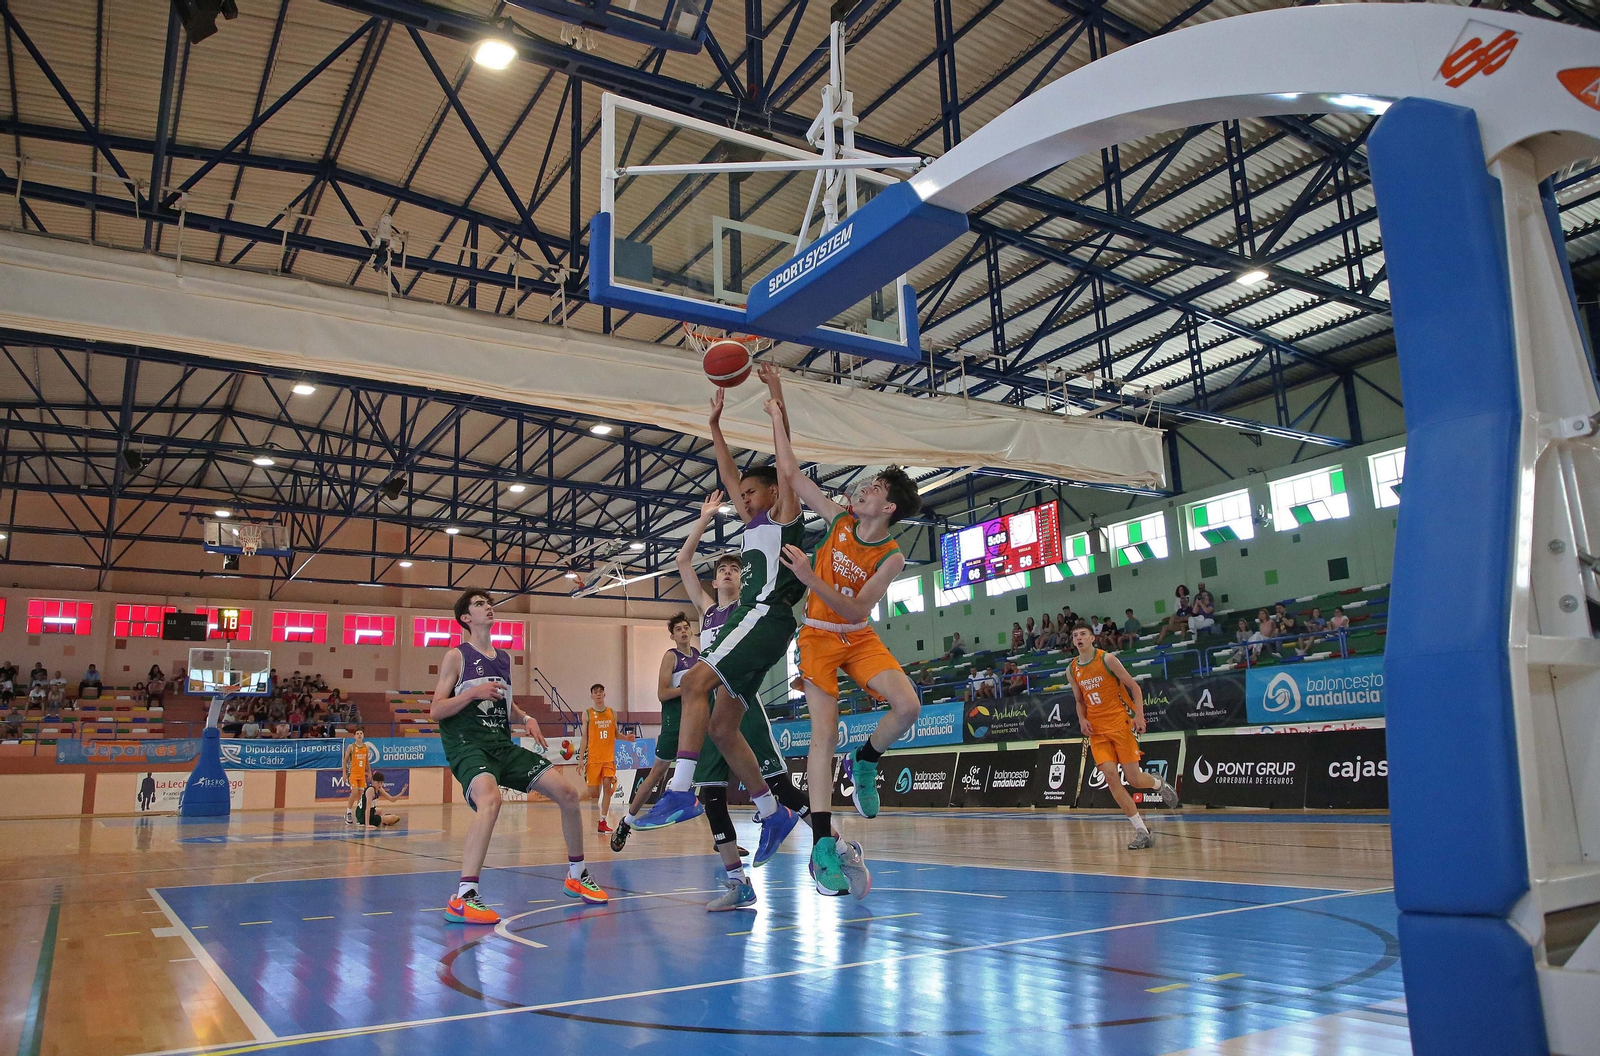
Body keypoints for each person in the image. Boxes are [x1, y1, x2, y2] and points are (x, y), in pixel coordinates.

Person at [629, 386, 812, 865]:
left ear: (774, 492)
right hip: (758, 624)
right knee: (722, 727)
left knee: (693, 681)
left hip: (765, 616)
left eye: (753, 492)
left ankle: (682, 789)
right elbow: (730, 475)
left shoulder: (785, 515)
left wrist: (777, 406)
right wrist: (713, 426)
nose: (744, 497)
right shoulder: (753, 527)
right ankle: (773, 812)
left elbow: (785, 465)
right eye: (743, 494)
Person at [765, 367, 922, 893]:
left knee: (908, 707)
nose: (862, 489)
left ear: (888, 507)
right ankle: (822, 849)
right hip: (815, 636)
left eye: (873, 488)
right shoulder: (836, 520)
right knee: (823, 735)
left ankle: (868, 760)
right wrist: (776, 401)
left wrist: (810, 576)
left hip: (855, 635)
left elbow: (857, 612)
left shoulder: (891, 556)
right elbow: (790, 471)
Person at [434, 590, 606, 924]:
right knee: (491, 800)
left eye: (489, 602)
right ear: (466, 618)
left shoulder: (504, 659)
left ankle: (577, 874)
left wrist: (525, 718)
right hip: (468, 745)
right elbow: (436, 709)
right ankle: (464, 897)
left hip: (502, 745)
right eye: (480, 604)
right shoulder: (457, 656)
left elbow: (504, 705)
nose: (489, 607)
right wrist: (471, 692)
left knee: (569, 794)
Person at [611, 497, 737, 854]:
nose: (684, 633)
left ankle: (725, 839)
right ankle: (628, 821)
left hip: (710, 715)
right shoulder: (674, 656)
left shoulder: (702, 654)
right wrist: (686, 688)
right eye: (679, 629)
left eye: (687, 629)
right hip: (674, 724)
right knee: (655, 776)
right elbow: (662, 693)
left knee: (714, 778)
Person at [1067, 622, 1179, 850]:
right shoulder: (1072, 669)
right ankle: (1141, 830)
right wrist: (1082, 719)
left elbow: (1135, 688)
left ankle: (1158, 783)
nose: (1078, 638)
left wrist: (1139, 716)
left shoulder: (1107, 660)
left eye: (1083, 634)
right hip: (1097, 731)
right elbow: (1079, 701)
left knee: (1134, 779)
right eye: (1075, 635)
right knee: (1110, 777)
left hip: (1120, 724)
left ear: (1092, 638)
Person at [581, 684, 626, 833]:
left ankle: (602, 821)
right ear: (592, 696)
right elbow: (584, 738)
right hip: (594, 758)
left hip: (608, 758)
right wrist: (581, 759)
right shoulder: (587, 714)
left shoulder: (612, 712)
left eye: (601, 691)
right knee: (592, 793)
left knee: (607, 786)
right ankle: (569, 800)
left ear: (604, 694)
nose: (598, 694)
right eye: (595, 692)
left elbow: (616, 734)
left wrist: (627, 738)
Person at [343, 729, 374, 824]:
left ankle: (358, 815)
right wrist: (344, 773)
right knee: (354, 791)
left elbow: (367, 761)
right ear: (354, 736)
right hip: (353, 774)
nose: (359, 735)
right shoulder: (351, 747)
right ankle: (348, 812)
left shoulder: (366, 747)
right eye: (357, 734)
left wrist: (369, 772)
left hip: (362, 775)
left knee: (361, 796)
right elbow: (345, 761)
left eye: (361, 733)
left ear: (363, 735)